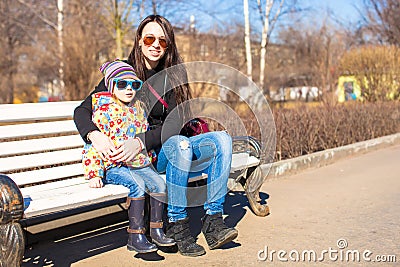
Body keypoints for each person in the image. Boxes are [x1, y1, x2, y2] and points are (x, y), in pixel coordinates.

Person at [74, 15, 237, 257]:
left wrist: (140, 141)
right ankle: (178, 224)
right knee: (181, 144)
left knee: (222, 139)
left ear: (168, 45)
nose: (155, 45)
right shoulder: (122, 74)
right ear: (139, 41)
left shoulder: (174, 76)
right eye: (149, 38)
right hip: (148, 158)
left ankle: (213, 220)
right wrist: (94, 135)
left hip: (163, 146)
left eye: (162, 40)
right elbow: (83, 110)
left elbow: (175, 123)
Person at [81, 59, 175, 254]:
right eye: (122, 84)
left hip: (138, 163)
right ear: (111, 86)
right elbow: (93, 146)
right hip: (113, 165)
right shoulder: (103, 112)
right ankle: (135, 235)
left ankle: (156, 230)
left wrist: (146, 155)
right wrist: (94, 173)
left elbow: (143, 136)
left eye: (134, 84)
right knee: (137, 185)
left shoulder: (138, 109)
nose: (129, 89)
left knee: (159, 184)